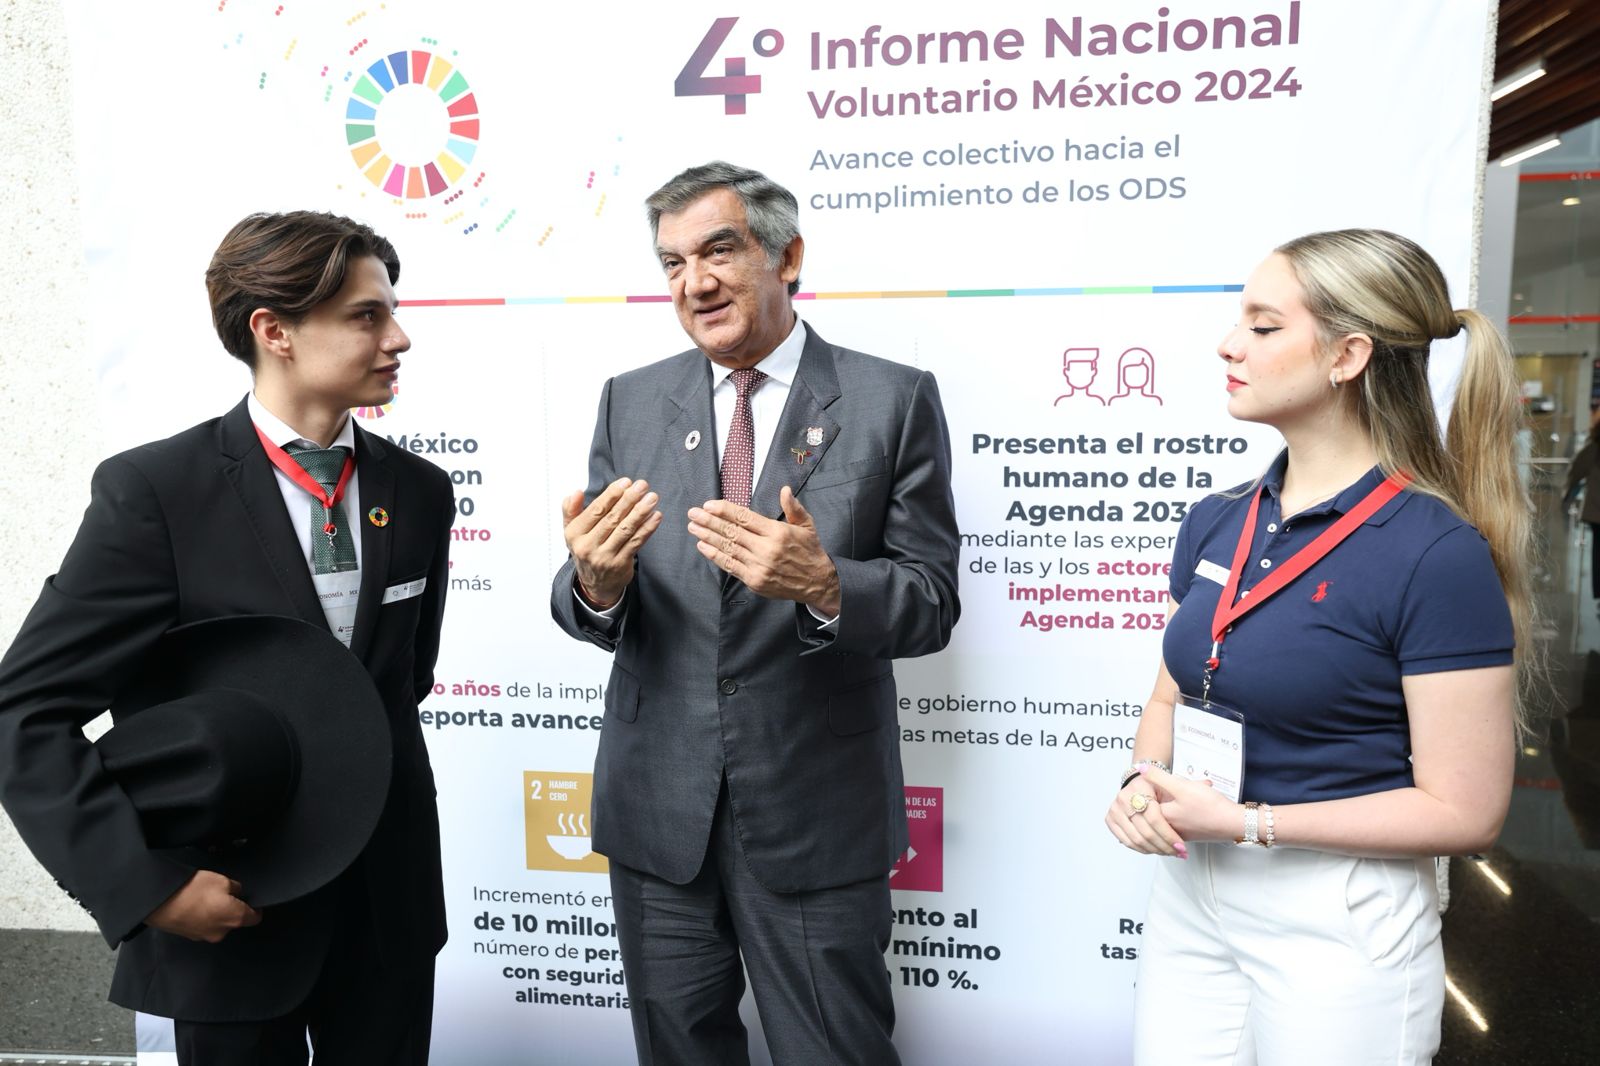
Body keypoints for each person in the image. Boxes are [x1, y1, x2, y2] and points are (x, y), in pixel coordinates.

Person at [0, 211, 454, 1065]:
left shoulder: (422, 491)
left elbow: (401, 683)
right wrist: (145, 888)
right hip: (227, 909)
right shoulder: (155, 492)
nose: (398, 338)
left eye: (391, 313)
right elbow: (23, 712)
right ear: (274, 331)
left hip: (386, 910)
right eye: (367, 316)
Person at [550, 161, 960, 1065]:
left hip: (816, 811)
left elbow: (932, 603)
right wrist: (596, 584)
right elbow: (589, 583)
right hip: (659, 809)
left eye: (718, 251)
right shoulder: (630, 399)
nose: (693, 283)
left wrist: (826, 584)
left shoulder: (891, 399)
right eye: (672, 263)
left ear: (788, 257)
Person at [1104, 229, 1534, 1064]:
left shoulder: (1434, 551)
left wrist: (1249, 822)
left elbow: (1466, 811)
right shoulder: (1219, 518)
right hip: (1194, 893)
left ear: (1348, 356)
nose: (1229, 345)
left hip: (1336, 920)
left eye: (1264, 326)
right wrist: (1140, 780)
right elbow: (1169, 694)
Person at [1563, 406, 1600, 606]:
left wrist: (1568, 492)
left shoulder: (1594, 446)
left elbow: (1577, 469)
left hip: (1597, 510)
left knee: (1598, 552)